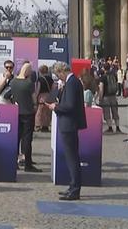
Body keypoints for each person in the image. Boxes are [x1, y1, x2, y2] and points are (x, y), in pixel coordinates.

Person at [46, 61, 86, 201]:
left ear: (62, 71)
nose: (59, 78)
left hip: (69, 124)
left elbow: (69, 106)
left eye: (58, 75)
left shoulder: (72, 82)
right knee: (71, 157)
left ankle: (75, 189)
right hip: (69, 123)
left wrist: (55, 107)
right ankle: (72, 186)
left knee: (72, 158)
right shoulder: (72, 82)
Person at [8, 62, 41, 172]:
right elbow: (34, 98)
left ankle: (13, 162)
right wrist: (35, 105)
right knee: (27, 139)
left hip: (16, 112)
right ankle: (28, 164)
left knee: (15, 138)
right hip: (28, 113)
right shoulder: (29, 83)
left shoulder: (13, 82)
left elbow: (8, 95)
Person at [99, 67, 121, 133]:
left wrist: (100, 97)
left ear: (104, 69)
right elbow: (116, 85)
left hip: (106, 97)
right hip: (113, 96)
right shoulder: (114, 76)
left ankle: (110, 128)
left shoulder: (103, 77)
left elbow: (101, 88)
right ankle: (117, 128)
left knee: (107, 113)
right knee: (115, 112)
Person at [35, 65, 53, 132]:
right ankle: (45, 126)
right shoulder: (50, 79)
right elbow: (53, 87)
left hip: (41, 96)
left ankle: (38, 125)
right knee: (47, 112)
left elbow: (38, 88)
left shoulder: (40, 79)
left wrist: (36, 96)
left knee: (39, 111)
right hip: (48, 96)